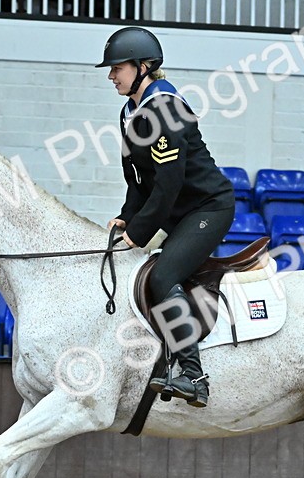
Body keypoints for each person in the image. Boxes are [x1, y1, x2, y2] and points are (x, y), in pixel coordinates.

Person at [97, 26, 235, 409]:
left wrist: (140, 232)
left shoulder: (165, 108)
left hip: (207, 209)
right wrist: (127, 218)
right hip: (176, 211)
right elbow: (139, 180)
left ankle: (193, 375)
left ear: (144, 67)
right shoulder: (131, 111)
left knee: (162, 276)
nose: (111, 76)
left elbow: (169, 185)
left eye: (117, 68)